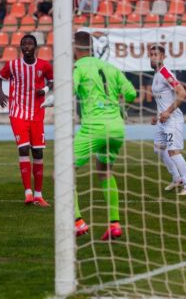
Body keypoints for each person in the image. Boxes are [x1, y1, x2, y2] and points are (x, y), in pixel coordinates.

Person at [71, 31, 137, 241]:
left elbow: (70, 89)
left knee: (63, 173)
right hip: (116, 128)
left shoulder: (78, 67)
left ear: (75, 48)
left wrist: (51, 98)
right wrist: (122, 108)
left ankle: (77, 222)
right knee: (104, 171)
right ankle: (114, 224)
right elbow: (131, 93)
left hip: (94, 127)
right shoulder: (110, 67)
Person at [0, 35, 53, 206]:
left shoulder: (44, 65)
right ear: (21, 47)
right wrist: (0, 94)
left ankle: (38, 195)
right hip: (18, 113)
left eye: (30, 44)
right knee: (23, 149)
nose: (27, 46)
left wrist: (44, 90)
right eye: (24, 44)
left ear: (35, 47)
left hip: (37, 114)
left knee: (38, 153)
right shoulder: (12, 65)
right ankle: (28, 193)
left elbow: (52, 81)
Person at [149, 45, 186, 195]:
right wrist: (158, 116)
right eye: (151, 54)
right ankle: (176, 178)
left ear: (162, 57)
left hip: (173, 119)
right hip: (162, 120)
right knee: (159, 149)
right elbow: (163, 100)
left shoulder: (165, 73)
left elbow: (182, 93)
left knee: (173, 151)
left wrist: (168, 112)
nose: (153, 57)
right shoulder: (156, 74)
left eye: (156, 54)